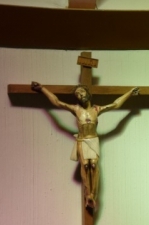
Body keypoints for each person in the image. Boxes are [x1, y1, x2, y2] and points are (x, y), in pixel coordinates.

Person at [31, 82, 139, 211]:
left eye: (81, 92)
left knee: (93, 164)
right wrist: (43, 89)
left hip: (93, 139)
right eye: (77, 94)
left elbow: (115, 104)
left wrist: (129, 93)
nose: (80, 95)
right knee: (85, 165)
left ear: (88, 93)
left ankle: (93, 194)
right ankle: (88, 194)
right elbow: (57, 102)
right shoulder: (76, 109)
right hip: (82, 140)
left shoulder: (96, 109)